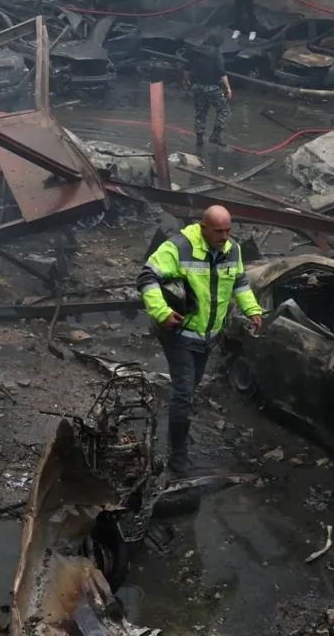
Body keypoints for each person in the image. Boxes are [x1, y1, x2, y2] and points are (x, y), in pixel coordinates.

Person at [137, 205, 262, 476]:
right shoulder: (179, 248)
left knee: (190, 389)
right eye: (218, 231)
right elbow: (147, 277)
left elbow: (239, 281)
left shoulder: (232, 250)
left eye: (228, 230)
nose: (224, 237)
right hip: (179, 334)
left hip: (207, 338)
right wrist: (162, 312)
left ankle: (178, 430)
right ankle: (177, 456)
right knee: (184, 393)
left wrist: (252, 309)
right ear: (203, 228)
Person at [186, 33, 232, 148]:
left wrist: (186, 81)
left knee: (200, 113)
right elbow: (222, 73)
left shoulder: (196, 51)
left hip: (197, 87)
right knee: (224, 110)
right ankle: (215, 137)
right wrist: (228, 88)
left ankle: (199, 139)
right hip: (212, 87)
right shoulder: (216, 53)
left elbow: (186, 68)